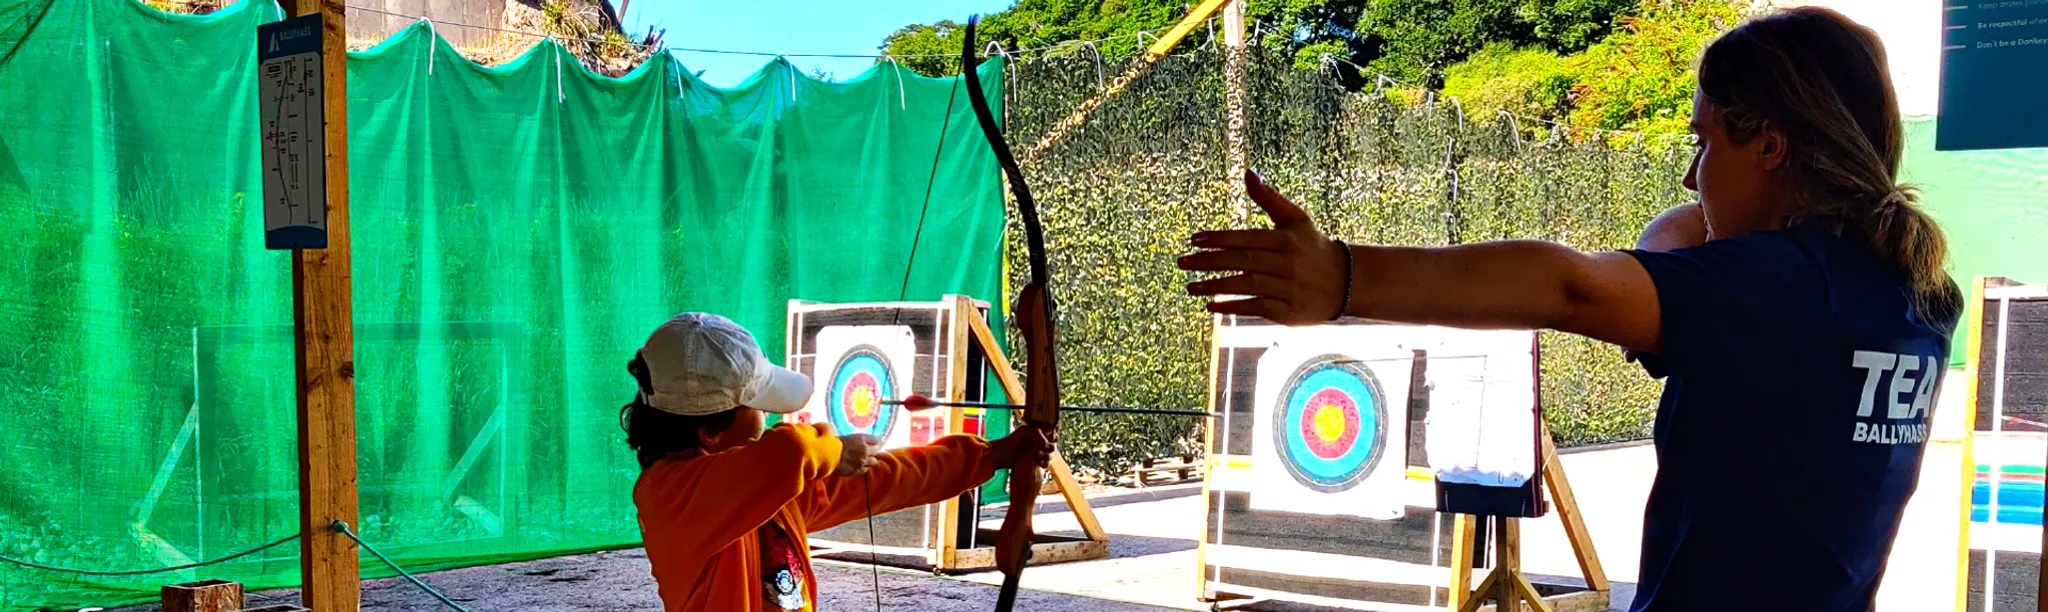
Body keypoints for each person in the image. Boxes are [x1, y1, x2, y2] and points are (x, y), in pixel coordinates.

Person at [1177, 7, 1960, 612]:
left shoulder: (1774, 287)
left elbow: (1568, 285)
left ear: (1770, 146)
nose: (1693, 177)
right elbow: (1680, 240)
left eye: (1705, 142)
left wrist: (1345, 279)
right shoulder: (1915, 288)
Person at [621, 312, 1054, 612]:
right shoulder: (669, 498)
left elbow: (886, 481)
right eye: (757, 407)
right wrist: (836, 450)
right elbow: (791, 452)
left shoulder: (766, 488)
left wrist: (994, 454)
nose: (769, 416)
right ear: (709, 432)